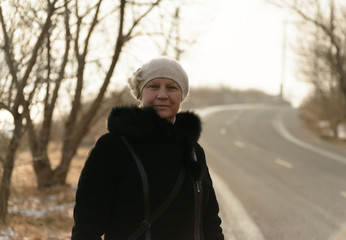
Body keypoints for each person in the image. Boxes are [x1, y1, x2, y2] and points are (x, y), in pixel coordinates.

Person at [71, 57, 224, 240]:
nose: (162, 95)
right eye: (153, 86)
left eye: (171, 87)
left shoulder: (193, 152)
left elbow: (210, 224)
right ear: (140, 93)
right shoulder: (113, 147)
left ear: (181, 95)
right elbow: (87, 227)